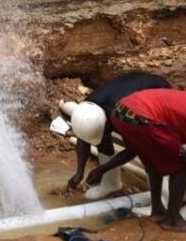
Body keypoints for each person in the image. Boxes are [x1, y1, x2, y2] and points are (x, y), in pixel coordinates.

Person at [87, 89, 186, 232]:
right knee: (180, 166)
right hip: (143, 117)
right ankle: (173, 220)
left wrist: (102, 169)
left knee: (153, 160)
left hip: (122, 111)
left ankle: (157, 211)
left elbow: (131, 151)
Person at [66, 70, 171, 199]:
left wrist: (102, 169)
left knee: (151, 148)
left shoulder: (126, 115)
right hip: (127, 93)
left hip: (159, 94)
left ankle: (163, 198)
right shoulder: (88, 108)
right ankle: (111, 183)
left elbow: (132, 150)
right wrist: (79, 173)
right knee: (102, 139)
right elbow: (83, 138)